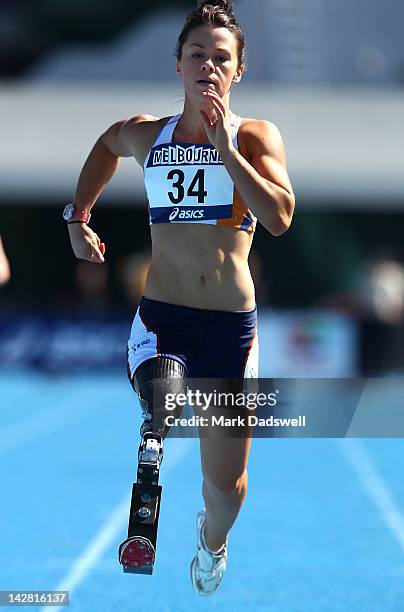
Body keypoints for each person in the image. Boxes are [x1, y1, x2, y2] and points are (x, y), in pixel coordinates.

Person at [66, 0, 295, 596]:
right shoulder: (150, 135)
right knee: (161, 397)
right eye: (198, 55)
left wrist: (224, 148)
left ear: (238, 71)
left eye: (222, 58)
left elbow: (278, 219)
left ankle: (212, 541)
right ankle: (153, 437)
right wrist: (78, 216)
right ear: (179, 65)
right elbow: (106, 145)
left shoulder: (255, 135)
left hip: (229, 330)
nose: (209, 67)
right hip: (163, 318)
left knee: (225, 486)